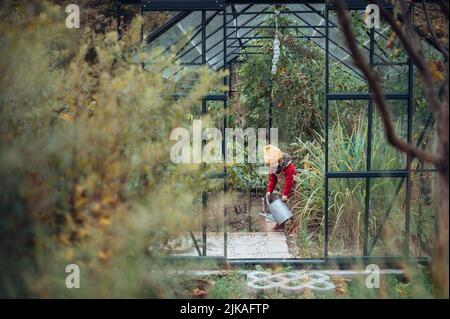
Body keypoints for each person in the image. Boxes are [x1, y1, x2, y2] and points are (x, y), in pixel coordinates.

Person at [263, 144, 298, 235]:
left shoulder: (289, 167)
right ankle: (281, 223)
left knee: (293, 207)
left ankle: (295, 228)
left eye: (273, 163)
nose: (271, 165)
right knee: (278, 204)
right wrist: (269, 190)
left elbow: (289, 181)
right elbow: (272, 179)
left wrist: (285, 194)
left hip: (294, 189)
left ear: (279, 160)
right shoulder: (273, 167)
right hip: (284, 190)